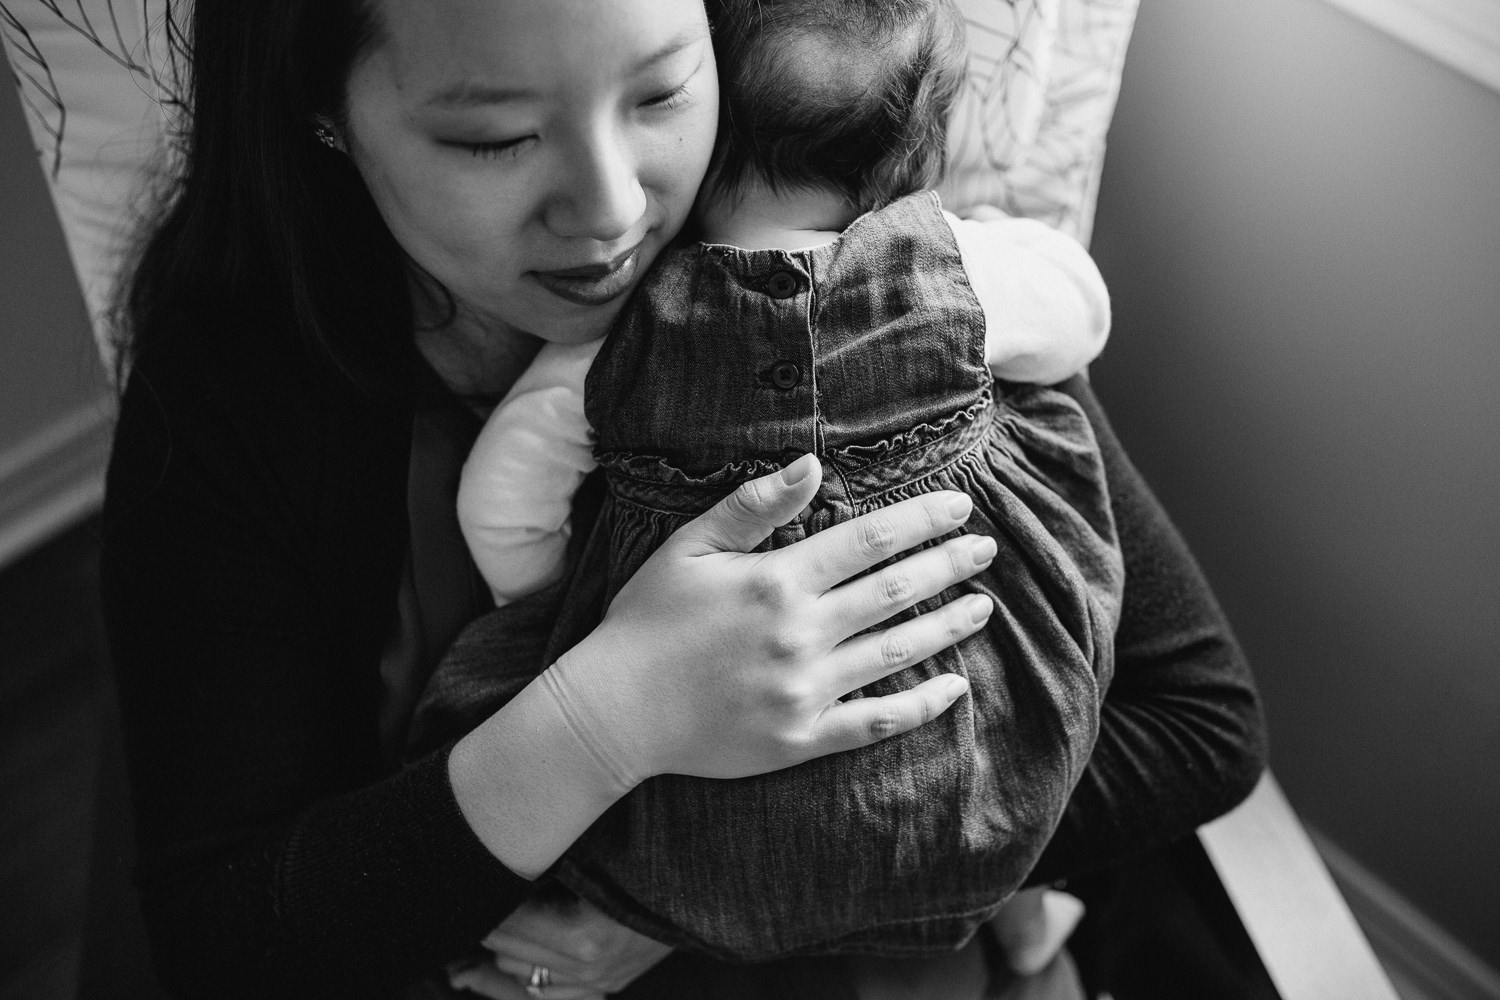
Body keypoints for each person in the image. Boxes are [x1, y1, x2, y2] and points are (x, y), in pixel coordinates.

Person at [98, 1, 1265, 999]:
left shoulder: (833, 228)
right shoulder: (233, 396)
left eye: (660, 92)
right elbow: (230, 936)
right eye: (496, 137)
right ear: (324, 113)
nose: (612, 211)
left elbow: (1201, 721)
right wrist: (610, 716)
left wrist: (684, 902)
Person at [419, 0, 1117, 968]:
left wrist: (549, 599)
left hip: (695, 827)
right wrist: (984, 238)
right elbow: (1082, 309)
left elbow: (497, 496)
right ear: (911, 165)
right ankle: (1026, 911)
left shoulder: (626, 324)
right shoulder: (955, 270)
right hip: (959, 762)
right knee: (1012, 783)